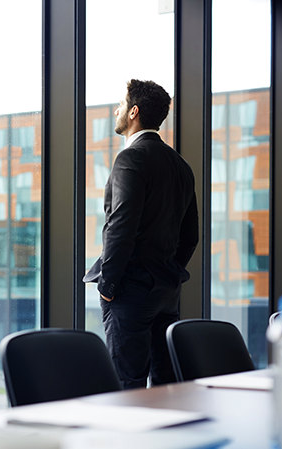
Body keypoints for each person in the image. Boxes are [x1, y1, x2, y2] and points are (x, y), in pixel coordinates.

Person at [83, 79, 198, 389]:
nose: (117, 111)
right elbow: (190, 237)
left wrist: (108, 284)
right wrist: (169, 272)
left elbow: (121, 227)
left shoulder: (130, 158)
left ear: (133, 112)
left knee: (127, 384)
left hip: (131, 290)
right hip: (165, 293)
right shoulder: (181, 166)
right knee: (165, 385)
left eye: (121, 105)